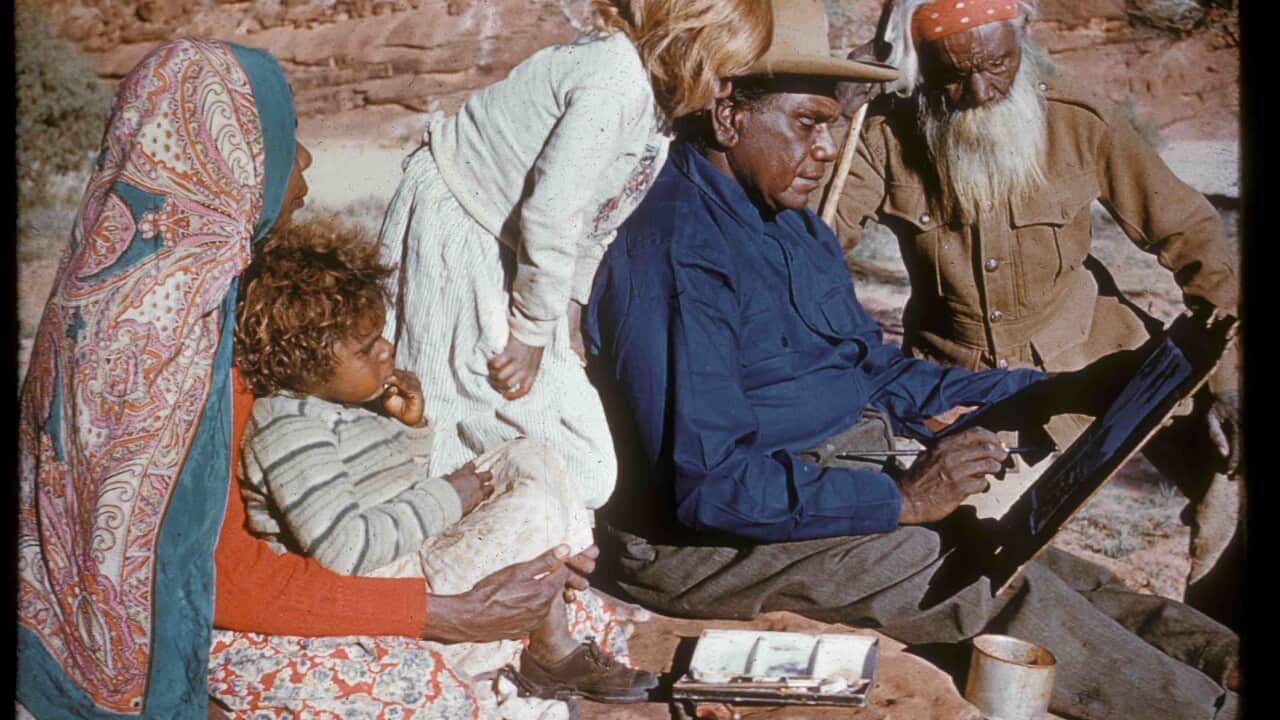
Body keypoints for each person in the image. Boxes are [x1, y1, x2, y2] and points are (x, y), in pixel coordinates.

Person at [582, 2, 1240, 718]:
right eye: (810, 122)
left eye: (835, 123)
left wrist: (1048, 391)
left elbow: (870, 369)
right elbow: (708, 486)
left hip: (814, 474)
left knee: (1018, 552)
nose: (831, 149)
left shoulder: (786, 223)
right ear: (728, 116)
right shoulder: (679, 252)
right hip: (702, 545)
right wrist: (903, 500)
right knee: (972, 579)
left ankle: (1224, 662)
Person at [14, 38, 620, 719]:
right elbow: (223, 578)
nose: (302, 159)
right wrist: (438, 612)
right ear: (225, 157)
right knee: (418, 686)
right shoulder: (162, 346)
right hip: (175, 636)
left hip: (284, 578)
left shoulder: (185, 293)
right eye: (285, 139)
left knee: (540, 594)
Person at [831, 0, 1242, 625]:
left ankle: (1222, 638)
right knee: (974, 550)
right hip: (960, 388)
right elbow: (813, 247)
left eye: (997, 64)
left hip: (1100, 357)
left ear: (1024, 39)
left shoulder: (1078, 119)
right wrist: (838, 113)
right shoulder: (884, 134)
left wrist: (1231, 382)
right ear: (921, 64)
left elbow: (1193, 236)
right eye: (953, 74)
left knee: (1232, 465)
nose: (978, 91)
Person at [221, 216, 655, 710]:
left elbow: (398, 487)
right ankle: (549, 644)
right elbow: (346, 548)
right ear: (303, 360)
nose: (386, 350)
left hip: (410, 553)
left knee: (526, 453)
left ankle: (561, 575)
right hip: (381, 580)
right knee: (528, 501)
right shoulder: (289, 428)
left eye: (380, 336)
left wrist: (412, 430)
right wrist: (453, 494)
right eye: (367, 348)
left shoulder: (338, 403)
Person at [376, 0, 774, 511]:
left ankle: (519, 529)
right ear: (688, 43)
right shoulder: (613, 80)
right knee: (450, 395)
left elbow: (600, 218)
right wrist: (530, 329)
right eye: (722, 72)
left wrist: (568, 312)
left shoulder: (653, 106)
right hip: (460, 220)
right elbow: (552, 212)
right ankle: (432, 542)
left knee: (575, 444)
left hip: (514, 245)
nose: (725, 91)